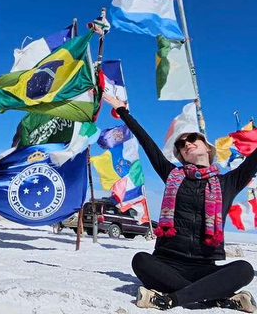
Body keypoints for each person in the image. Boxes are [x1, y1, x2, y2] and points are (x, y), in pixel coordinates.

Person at [103, 94, 257, 312]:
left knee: (244, 269)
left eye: (193, 138)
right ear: (182, 156)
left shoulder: (229, 183)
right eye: (182, 144)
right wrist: (123, 112)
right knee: (140, 260)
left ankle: (171, 298)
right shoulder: (173, 176)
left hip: (203, 267)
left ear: (207, 147)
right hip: (167, 264)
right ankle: (215, 298)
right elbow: (147, 143)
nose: (187, 144)